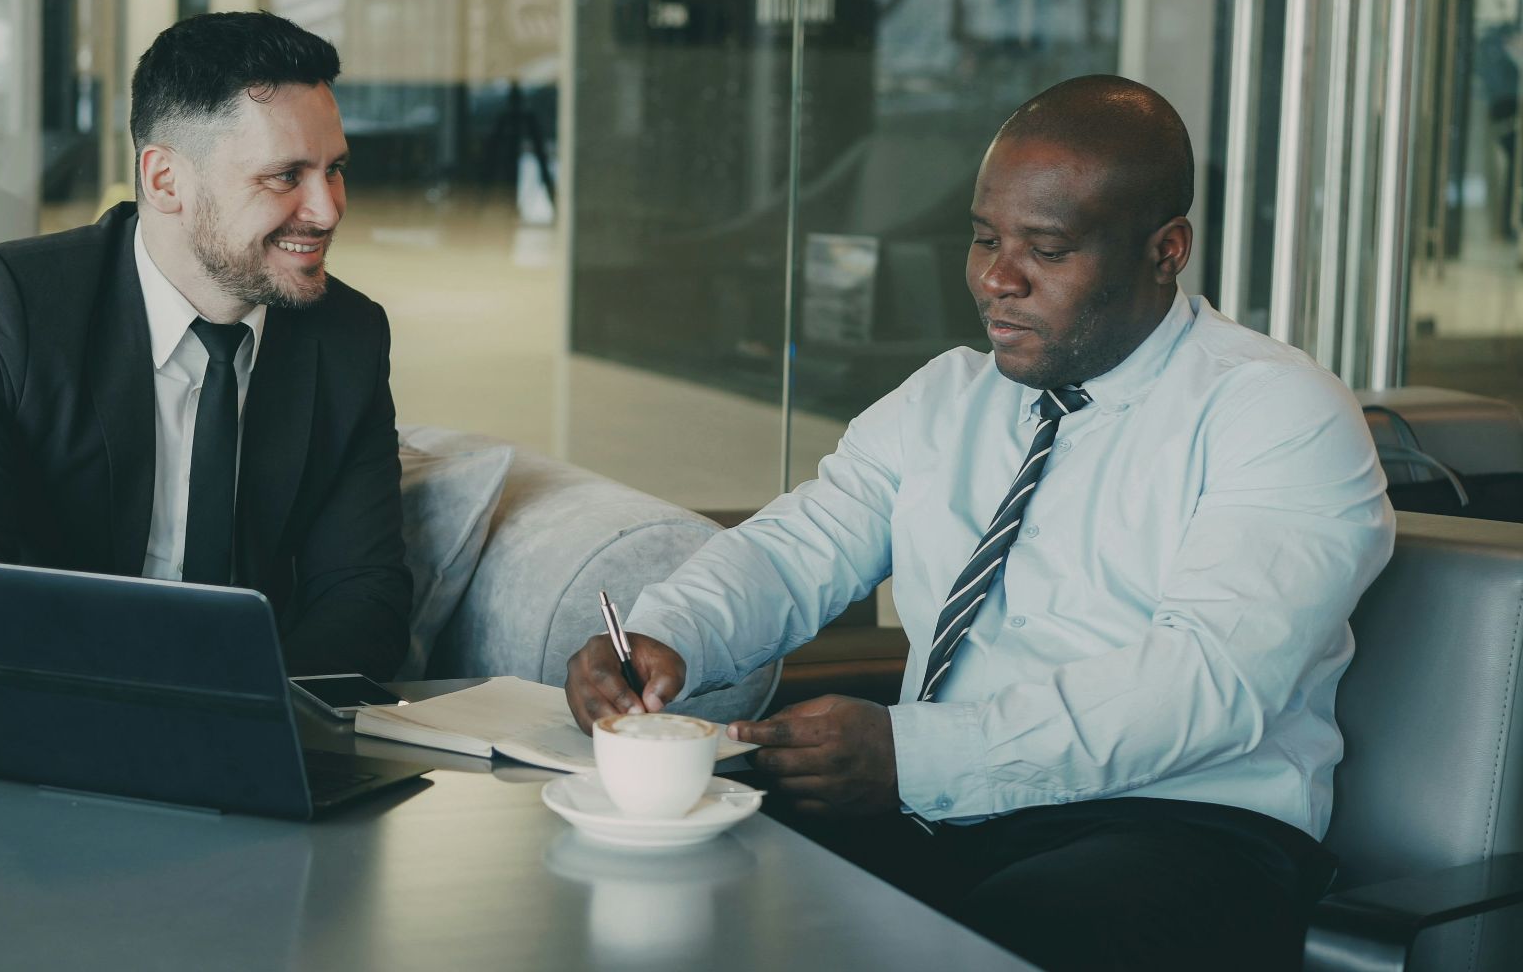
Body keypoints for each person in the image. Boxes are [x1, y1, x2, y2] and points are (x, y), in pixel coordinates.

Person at [565, 75, 1394, 971]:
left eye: (1048, 249)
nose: (998, 279)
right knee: (677, 898)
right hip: (937, 809)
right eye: (985, 238)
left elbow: (1208, 683)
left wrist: (915, 755)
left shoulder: (1277, 412)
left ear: (1166, 250)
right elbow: (798, 546)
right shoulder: (948, 395)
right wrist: (664, 632)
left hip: (1184, 828)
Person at [0, 11, 410, 699]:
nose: (327, 209)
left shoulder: (346, 337)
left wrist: (235, 715)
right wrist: (137, 709)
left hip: (232, 730)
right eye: (284, 176)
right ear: (166, 180)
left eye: (335, 170)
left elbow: (365, 597)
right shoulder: (2, 308)